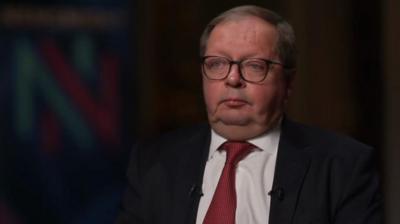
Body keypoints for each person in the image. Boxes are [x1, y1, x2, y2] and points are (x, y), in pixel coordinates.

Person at [115, 5, 382, 224]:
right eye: (217, 64)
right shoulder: (152, 163)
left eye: (254, 66)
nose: (232, 78)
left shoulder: (343, 166)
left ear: (288, 83)